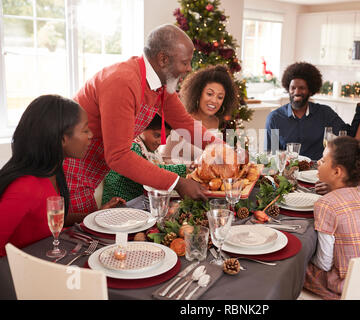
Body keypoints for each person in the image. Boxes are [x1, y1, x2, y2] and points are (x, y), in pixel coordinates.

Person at [63, 24, 219, 214]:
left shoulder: (160, 85)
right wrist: (177, 183)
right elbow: (119, 156)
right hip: (71, 168)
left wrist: (223, 150)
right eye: (185, 62)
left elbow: (185, 123)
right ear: (163, 59)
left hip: (94, 168)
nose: (189, 68)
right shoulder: (123, 82)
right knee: (74, 236)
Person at [0, 95, 121, 256]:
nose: (91, 135)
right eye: (85, 130)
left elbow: (49, 218)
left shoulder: (53, 172)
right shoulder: (25, 187)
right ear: (63, 138)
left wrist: (97, 214)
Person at [303, 134, 360, 299]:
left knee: (295, 267)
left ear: (337, 171)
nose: (318, 162)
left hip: (346, 287)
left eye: (323, 160)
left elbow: (324, 263)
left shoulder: (326, 204)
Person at [264, 62, 351, 161]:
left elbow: (346, 135)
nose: (296, 92)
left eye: (302, 88)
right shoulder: (275, 118)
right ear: (288, 89)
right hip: (289, 172)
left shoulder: (325, 114)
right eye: (293, 88)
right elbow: (272, 154)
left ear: (310, 91)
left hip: (317, 172)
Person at [159, 64, 239, 162]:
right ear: (198, 93)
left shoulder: (220, 122)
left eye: (220, 97)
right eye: (209, 94)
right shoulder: (184, 122)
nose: (214, 101)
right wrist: (191, 166)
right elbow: (163, 159)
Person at [102, 114, 176, 203]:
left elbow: (158, 167)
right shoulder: (132, 146)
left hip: (135, 204)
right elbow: (151, 171)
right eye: (157, 135)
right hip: (118, 207)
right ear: (142, 128)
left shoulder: (150, 150)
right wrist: (184, 169)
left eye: (165, 137)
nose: (161, 141)